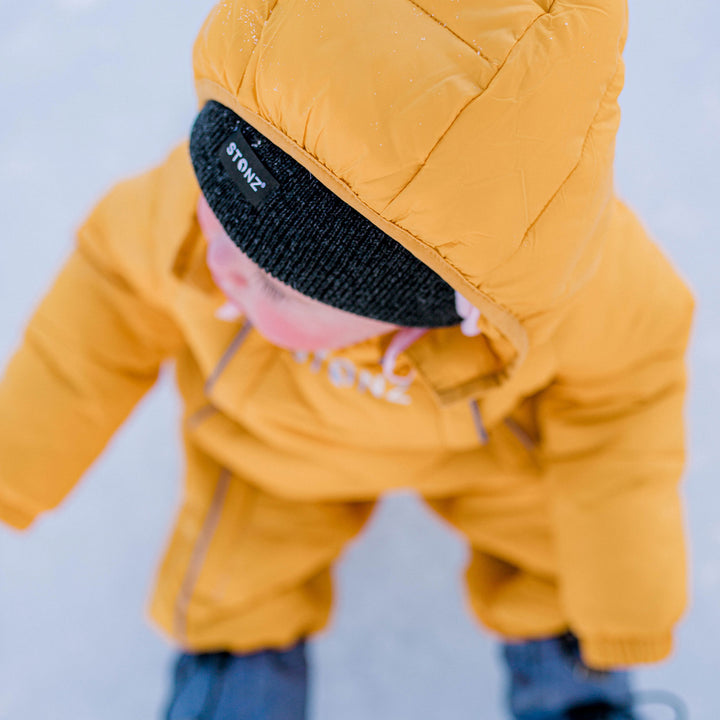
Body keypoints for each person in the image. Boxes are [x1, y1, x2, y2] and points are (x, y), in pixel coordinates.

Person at [0, 1, 695, 719]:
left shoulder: (570, 288)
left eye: (275, 283)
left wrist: (623, 598)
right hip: (270, 440)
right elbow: (101, 304)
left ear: (432, 306)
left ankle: (575, 681)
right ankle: (240, 677)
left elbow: (624, 407)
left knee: (558, 548)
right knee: (235, 574)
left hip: (480, 449)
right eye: (217, 211)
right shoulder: (184, 206)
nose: (222, 268)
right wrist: (17, 457)